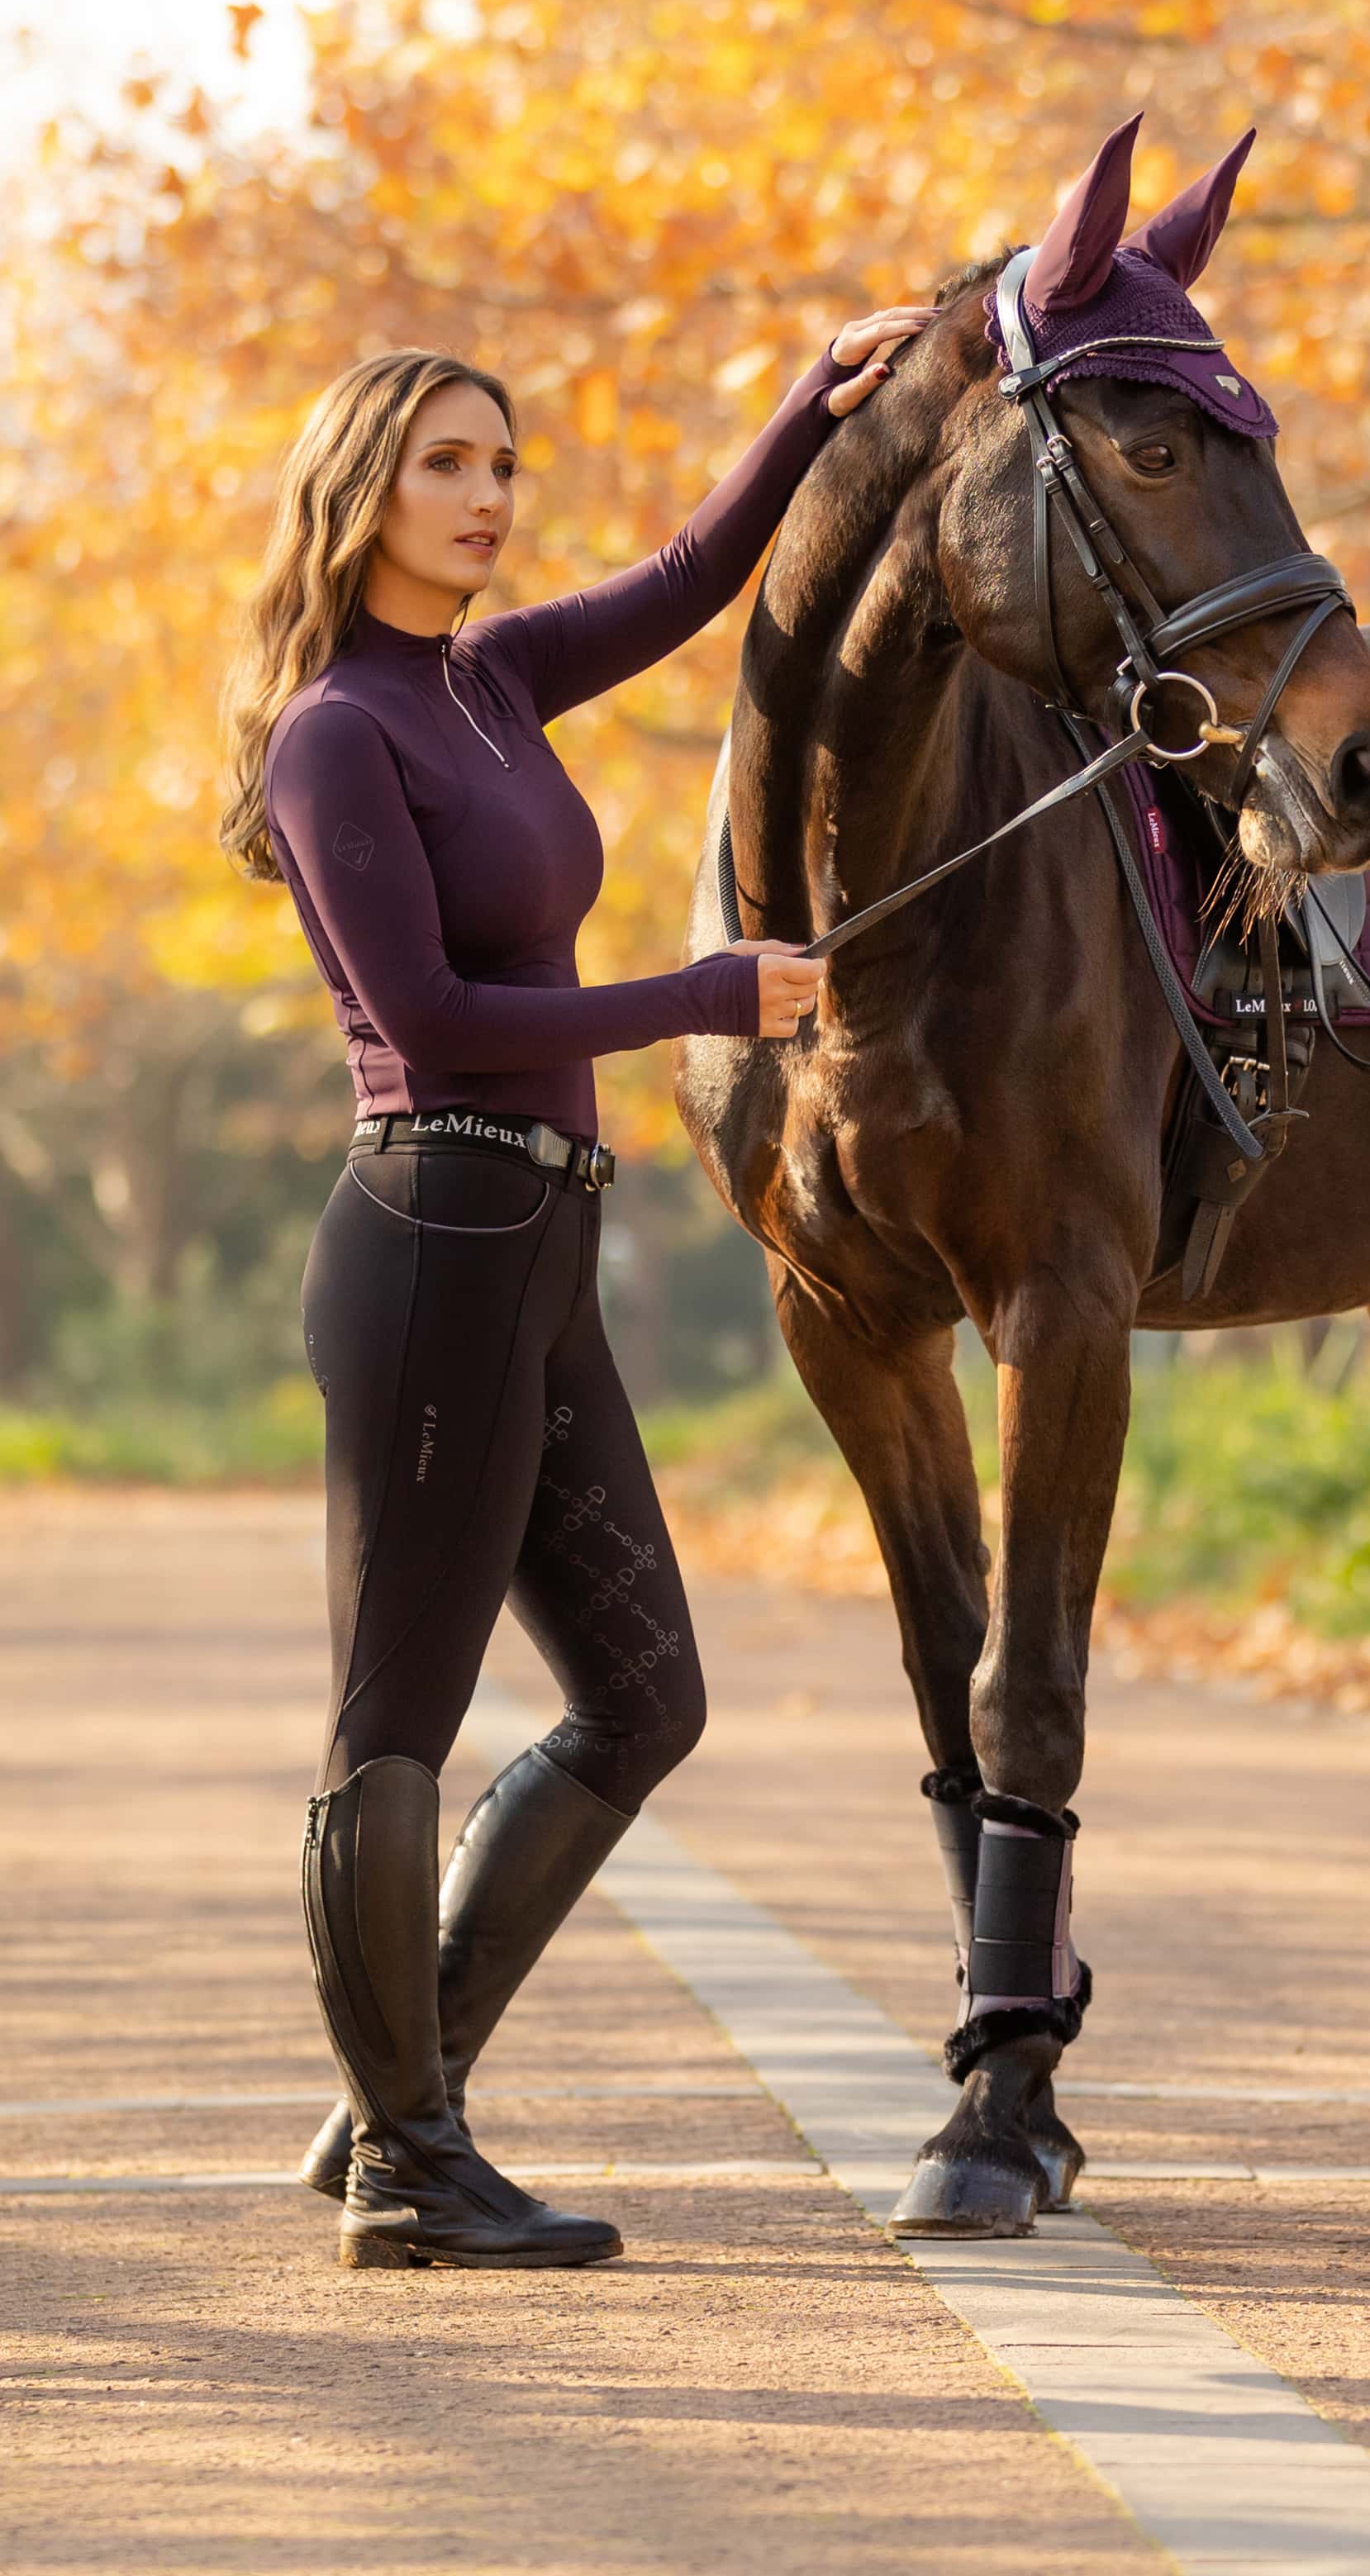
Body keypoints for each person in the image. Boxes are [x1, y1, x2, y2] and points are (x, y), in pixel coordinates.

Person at [217, 300, 933, 2269]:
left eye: (502, 465)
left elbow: (698, 578)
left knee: (641, 1696)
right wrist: (710, 995)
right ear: (356, 487)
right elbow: (440, 1016)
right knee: (398, 1719)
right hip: (434, 1232)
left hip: (539, 1241)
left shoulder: (490, 685)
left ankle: (398, 2082)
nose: (484, 500)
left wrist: (812, 394)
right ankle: (412, 2168)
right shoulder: (335, 732)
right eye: (444, 463)